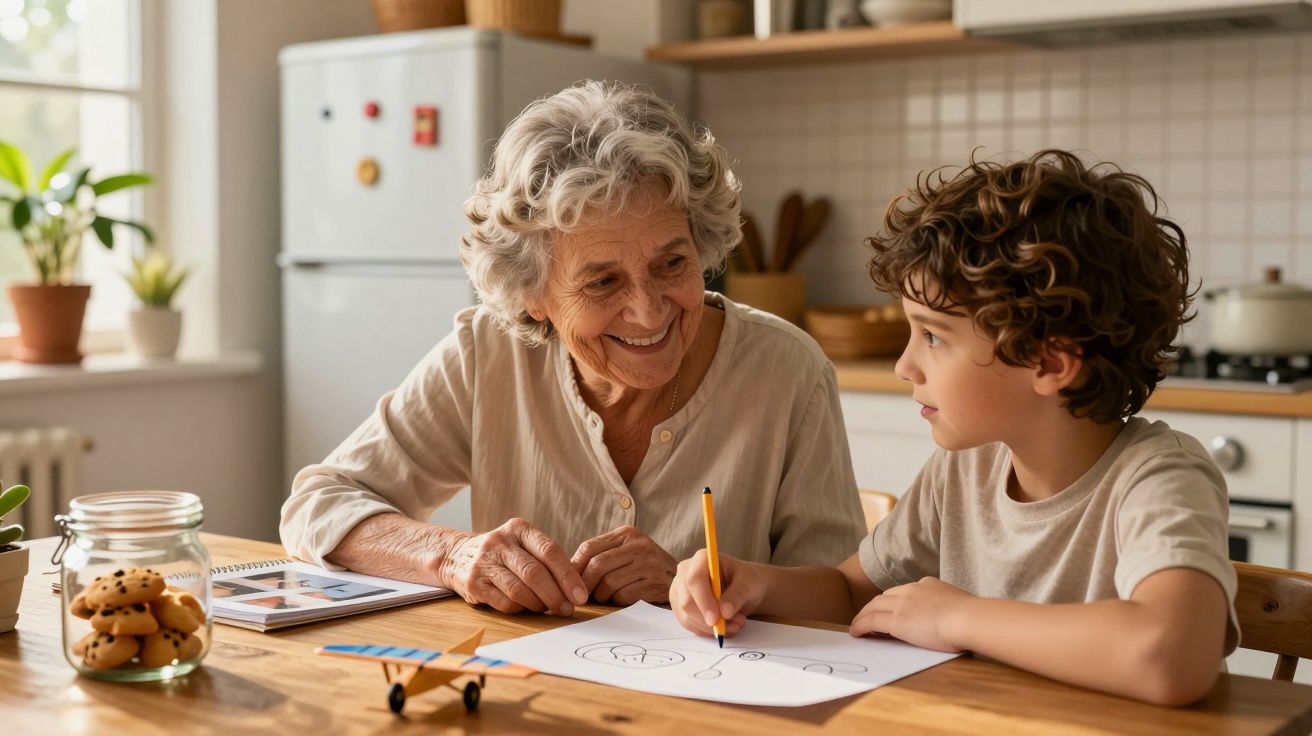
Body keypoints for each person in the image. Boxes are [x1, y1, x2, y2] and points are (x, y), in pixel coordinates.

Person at [669, 150, 1239, 706]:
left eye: (934, 336)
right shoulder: (965, 468)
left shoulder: (1158, 478)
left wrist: (959, 616)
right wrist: (756, 583)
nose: (904, 365)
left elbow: (1172, 656)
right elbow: (850, 592)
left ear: (1049, 361)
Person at [280, 81, 865, 618]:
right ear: (532, 293)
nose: (649, 310)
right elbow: (317, 504)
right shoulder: (486, 354)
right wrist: (451, 556)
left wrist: (696, 589)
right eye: (603, 281)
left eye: (672, 264)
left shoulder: (788, 371)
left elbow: (841, 599)